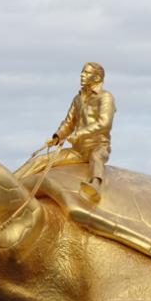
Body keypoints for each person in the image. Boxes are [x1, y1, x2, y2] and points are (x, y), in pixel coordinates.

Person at [42, 61, 116, 201]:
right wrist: (57, 136)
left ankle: (95, 185)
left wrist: (79, 134)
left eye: (87, 73)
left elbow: (105, 123)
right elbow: (69, 122)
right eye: (82, 72)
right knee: (44, 160)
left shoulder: (106, 97)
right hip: (78, 150)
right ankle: (16, 179)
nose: (82, 75)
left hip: (98, 146)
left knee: (96, 157)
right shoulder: (78, 99)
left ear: (96, 78)